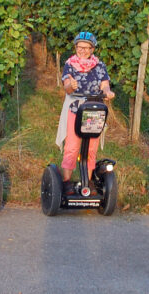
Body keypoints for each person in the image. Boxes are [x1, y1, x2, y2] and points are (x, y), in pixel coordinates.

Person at [56, 32, 115, 193]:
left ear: (92, 49)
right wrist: (71, 86)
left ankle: (87, 182)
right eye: (79, 47)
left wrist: (108, 92)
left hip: (94, 109)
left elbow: (105, 84)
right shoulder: (69, 64)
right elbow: (66, 86)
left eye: (86, 47)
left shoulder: (99, 65)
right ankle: (67, 181)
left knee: (91, 148)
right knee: (72, 146)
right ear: (75, 47)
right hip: (76, 107)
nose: (82, 50)